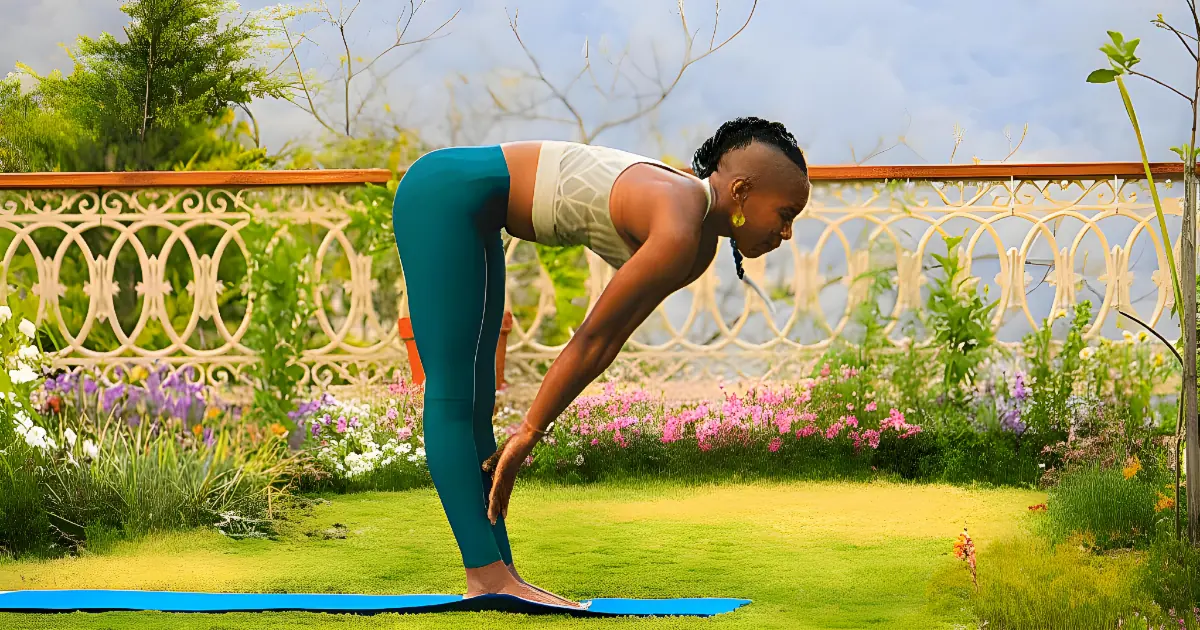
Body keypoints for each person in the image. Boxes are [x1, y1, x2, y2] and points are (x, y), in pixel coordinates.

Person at [391, 116, 811, 609]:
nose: (785, 232)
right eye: (784, 214)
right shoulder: (679, 225)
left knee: (477, 399)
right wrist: (530, 430)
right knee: (453, 392)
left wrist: (532, 427)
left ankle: (498, 572)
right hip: (442, 195)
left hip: (478, 212)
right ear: (740, 190)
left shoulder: (696, 241)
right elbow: (591, 337)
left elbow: (609, 340)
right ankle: (486, 576)